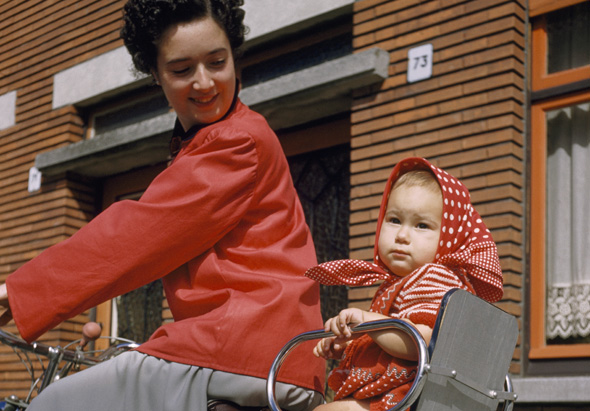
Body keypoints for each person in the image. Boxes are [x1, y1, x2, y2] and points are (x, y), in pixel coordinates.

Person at [0, 1, 325, 410]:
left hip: (249, 348)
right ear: (155, 74)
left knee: (57, 403)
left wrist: (16, 294)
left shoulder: (237, 141)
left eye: (217, 62)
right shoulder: (208, 141)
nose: (205, 82)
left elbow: (136, 235)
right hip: (252, 351)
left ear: (235, 58)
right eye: (182, 69)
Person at [304, 157, 504, 411]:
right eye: (395, 220)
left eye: (421, 225)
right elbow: (391, 341)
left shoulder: (434, 277)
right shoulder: (402, 282)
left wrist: (369, 321)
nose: (402, 235)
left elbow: (422, 342)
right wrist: (351, 344)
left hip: (408, 398)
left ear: (448, 237)